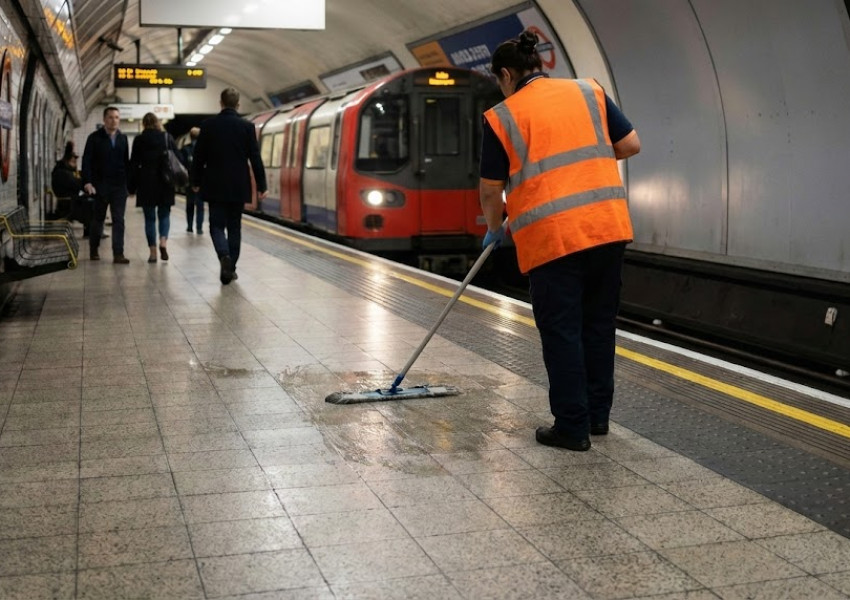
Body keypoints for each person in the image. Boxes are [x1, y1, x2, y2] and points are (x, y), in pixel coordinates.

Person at [479, 29, 641, 451]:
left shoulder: (502, 115)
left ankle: (572, 426)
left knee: (563, 331)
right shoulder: (589, 91)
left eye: (500, 80)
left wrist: (495, 226)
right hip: (606, 228)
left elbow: (490, 187)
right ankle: (597, 418)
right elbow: (630, 144)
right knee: (599, 327)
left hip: (553, 239)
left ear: (507, 75)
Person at [191, 88, 267, 284]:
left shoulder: (208, 126)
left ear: (221, 103)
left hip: (215, 184)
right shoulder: (247, 127)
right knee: (235, 227)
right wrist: (262, 185)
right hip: (238, 185)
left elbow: (198, 157)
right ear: (238, 105)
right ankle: (230, 268)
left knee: (216, 226)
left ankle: (224, 256)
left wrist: (195, 182)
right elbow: (255, 158)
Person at [82, 106, 130, 263]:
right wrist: (88, 182)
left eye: (116, 117)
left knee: (119, 220)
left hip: (119, 187)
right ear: (104, 119)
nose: (114, 120)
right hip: (100, 186)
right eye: (110, 117)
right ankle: (94, 249)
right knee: (98, 219)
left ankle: (118, 254)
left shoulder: (123, 139)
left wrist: (128, 185)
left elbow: (125, 163)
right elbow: (86, 161)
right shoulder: (94, 138)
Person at [128, 112, 176, 263]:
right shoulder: (166, 138)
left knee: (149, 219)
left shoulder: (139, 140)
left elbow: (134, 165)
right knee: (164, 215)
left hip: (146, 183)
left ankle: (153, 252)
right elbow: (178, 159)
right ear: (157, 123)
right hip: (165, 182)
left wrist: (131, 187)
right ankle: (163, 242)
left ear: (143, 124)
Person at [51, 142, 83, 226]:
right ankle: (91, 227)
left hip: (68, 195)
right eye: (73, 161)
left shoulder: (63, 169)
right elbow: (76, 184)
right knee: (89, 202)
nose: (75, 164)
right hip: (68, 198)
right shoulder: (63, 172)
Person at [180, 127, 204, 234]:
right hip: (201, 181)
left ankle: (189, 226)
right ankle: (199, 228)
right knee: (200, 205)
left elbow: (182, 166)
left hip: (189, 181)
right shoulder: (205, 149)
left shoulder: (185, 149)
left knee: (189, 205)